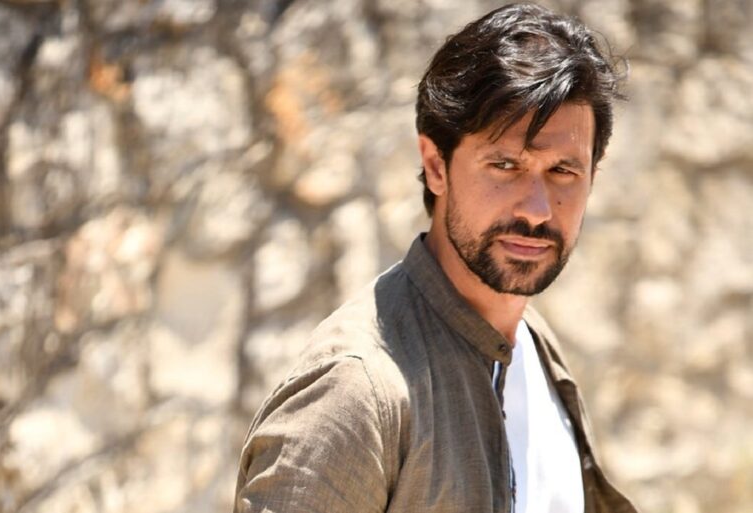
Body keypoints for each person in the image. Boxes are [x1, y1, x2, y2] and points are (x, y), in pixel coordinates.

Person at [234, 4, 639, 512]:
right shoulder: (355, 392)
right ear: (435, 166)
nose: (537, 211)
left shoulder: (534, 346)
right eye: (505, 165)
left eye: (563, 171)